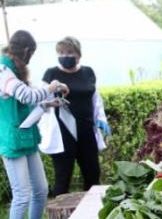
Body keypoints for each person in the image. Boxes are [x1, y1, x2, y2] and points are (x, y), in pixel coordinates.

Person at [0, 30, 66, 219]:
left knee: (41, 189)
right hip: (12, 140)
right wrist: (51, 87)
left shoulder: (14, 70)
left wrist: (47, 103)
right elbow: (25, 96)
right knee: (22, 194)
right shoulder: (3, 72)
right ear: (25, 51)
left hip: (26, 137)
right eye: (30, 54)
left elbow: (28, 101)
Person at [41, 36, 110, 196]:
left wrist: (101, 119)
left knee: (92, 174)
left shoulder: (88, 72)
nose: (65, 56)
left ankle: (92, 213)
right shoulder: (52, 73)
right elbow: (42, 99)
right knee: (63, 177)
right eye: (61, 52)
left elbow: (95, 98)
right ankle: (60, 218)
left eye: (69, 52)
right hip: (63, 133)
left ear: (79, 55)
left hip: (86, 130)